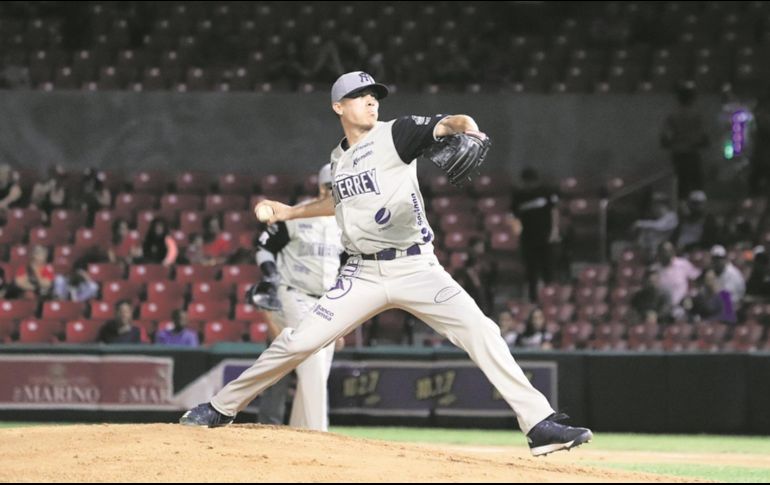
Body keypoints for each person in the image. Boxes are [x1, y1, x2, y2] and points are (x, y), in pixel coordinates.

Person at [180, 71, 592, 456]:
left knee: (481, 329)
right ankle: (221, 407)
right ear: (338, 107)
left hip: (416, 268)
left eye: (373, 96)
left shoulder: (397, 133)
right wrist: (288, 213)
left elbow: (449, 123)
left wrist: (467, 126)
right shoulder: (338, 158)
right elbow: (334, 202)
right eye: (358, 97)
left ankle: (538, 424)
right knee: (297, 341)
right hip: (361, 273)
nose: (370, 102)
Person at [250, 163, 344, 432]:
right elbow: (264, 246)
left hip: (327, 300)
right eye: (332, 187)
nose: (335, 193)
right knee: (313, 364)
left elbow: (344, 270)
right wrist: (269, 274)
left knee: (318, 371)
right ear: (321, 186)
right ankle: (319, 432)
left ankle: (302, 433)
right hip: (295, 295)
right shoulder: (298, 215)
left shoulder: (345, 223)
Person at [510, 167, 560, 303]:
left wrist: (554, 231)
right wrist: (517, 234)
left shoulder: (545, 192)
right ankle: (534, 300)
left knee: (548, 268)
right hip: (528, 238)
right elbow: (513, 217)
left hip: (545, 236)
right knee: (531, 271)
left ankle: (551, 299)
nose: (529, 185)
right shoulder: (519, 196)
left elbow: (554, 211)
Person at [660, 81, 710, 200]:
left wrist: (674, 142)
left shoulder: (673, 115)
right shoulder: (697, 115)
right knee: (695, 184)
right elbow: (704, 138)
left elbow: (665, 138)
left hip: (679, 153)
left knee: (682, 185)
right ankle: (694, 205)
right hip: (690, 153)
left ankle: (684, 205)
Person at [709, 245, 745, 311]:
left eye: (720, 258)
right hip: (721, 306)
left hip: (733, 308)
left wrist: (712, 284)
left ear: (725, 258)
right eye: (714, 259)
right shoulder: (715, 271)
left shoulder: (732, 273)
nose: (717, 261)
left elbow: (726, 297)